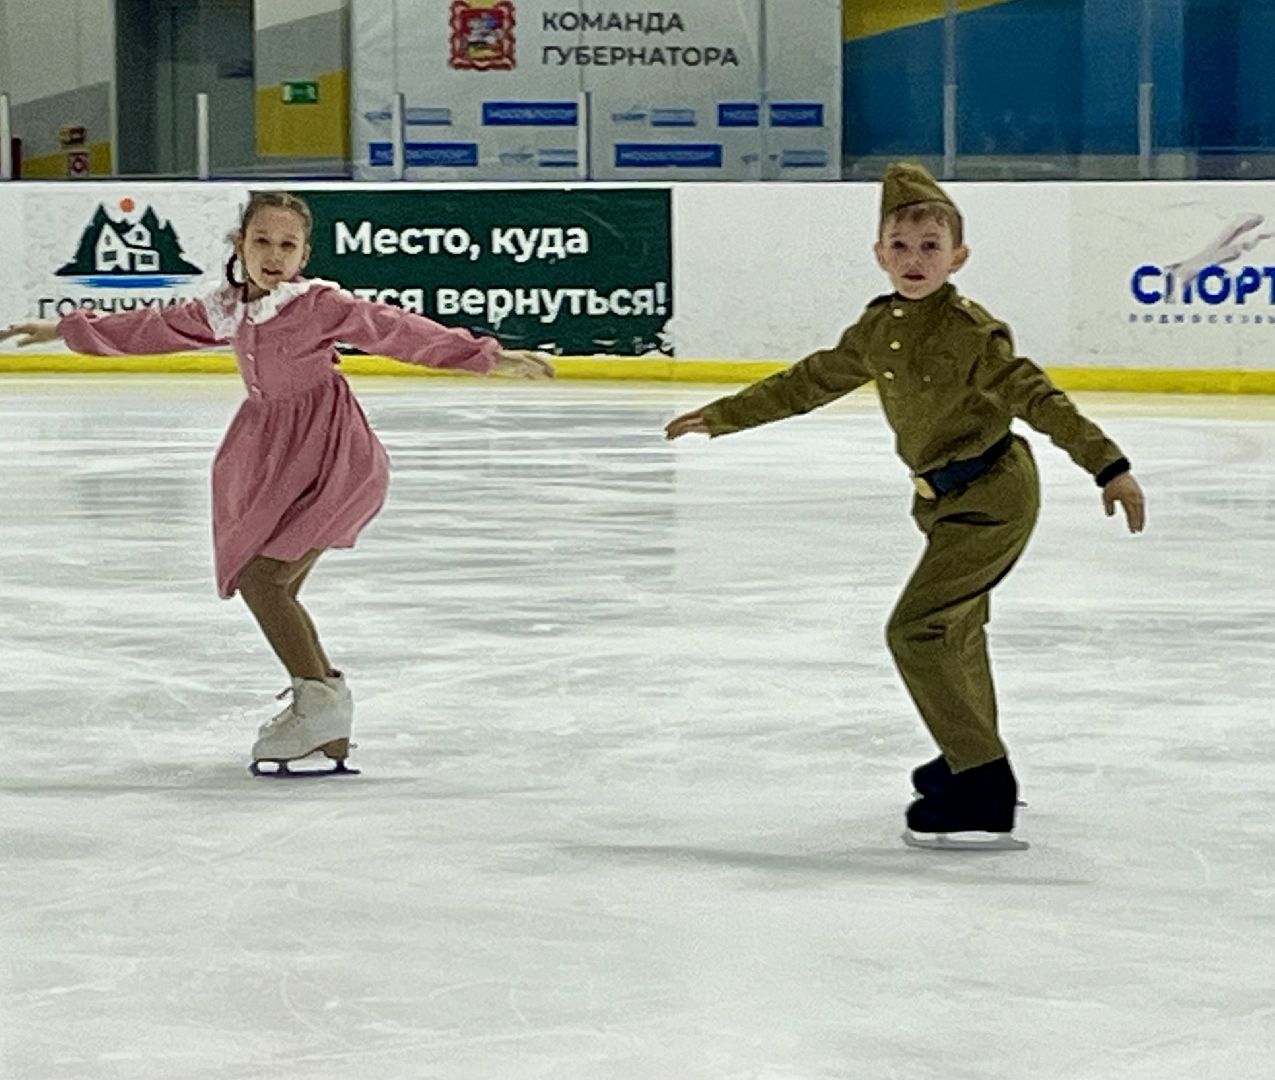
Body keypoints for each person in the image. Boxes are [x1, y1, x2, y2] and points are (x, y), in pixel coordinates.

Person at [664, 163, 1146, 849]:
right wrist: (722, 415)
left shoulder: (970, 332)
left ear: (958, 257)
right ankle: (966, 752)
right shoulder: (876, 328)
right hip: (940, 501)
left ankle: (983, 782)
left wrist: (1108, 465)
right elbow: (809, 382)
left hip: (993, 496)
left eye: (929, 246)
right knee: (956, 631)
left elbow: (1036, 396)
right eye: (900, 244)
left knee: (914, 630)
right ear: (878, 254)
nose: (913, 259)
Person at [1, 191, 554, 775]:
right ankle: (324, 716)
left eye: (287, 245)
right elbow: (151, 328)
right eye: (261, 241)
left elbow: (394, 329)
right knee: (270, 584)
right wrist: (66, 328)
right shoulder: (228, 309)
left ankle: (318, 707)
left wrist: (484, 355)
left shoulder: (317, 304)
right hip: (271, 456)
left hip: (332, 458)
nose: (273, 254)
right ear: (240, 244)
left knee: (264, 582)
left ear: (303, 253)